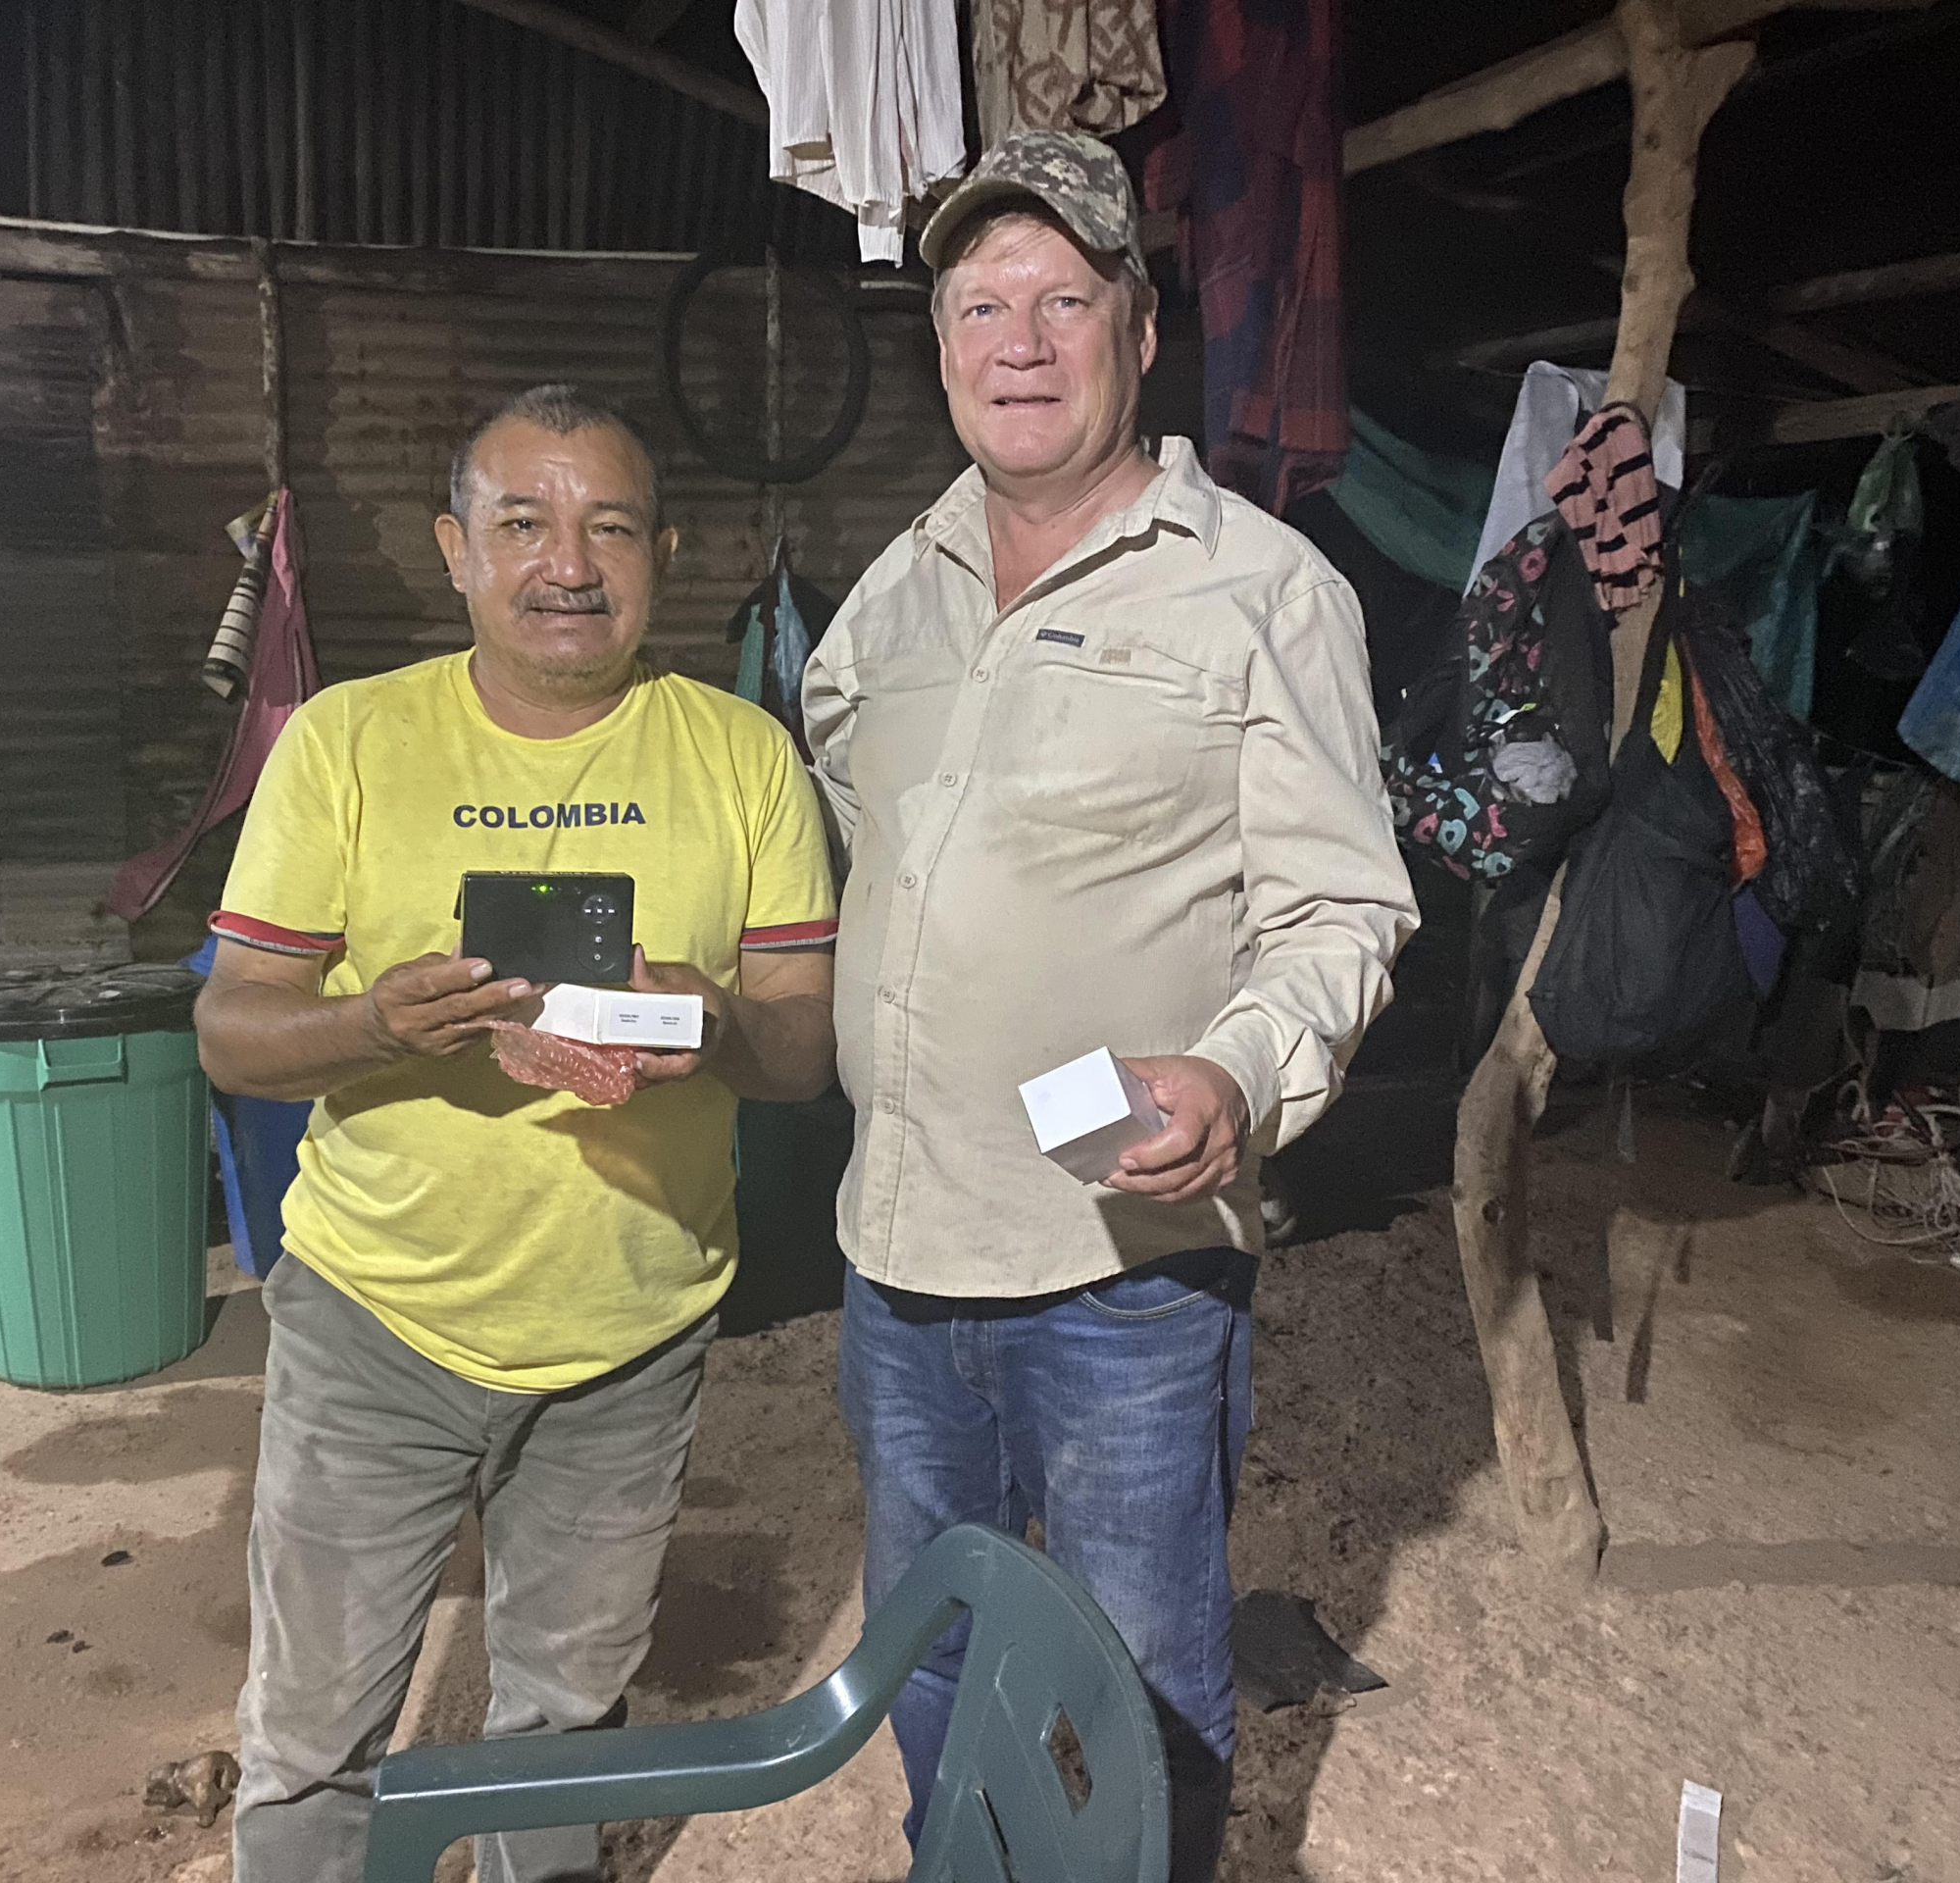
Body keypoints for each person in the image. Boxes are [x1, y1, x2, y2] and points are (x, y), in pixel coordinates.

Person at [801, 132, 1418, 1881]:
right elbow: (867, 835)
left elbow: (1343, 908)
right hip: (898, 1259)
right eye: (978, 304)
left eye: (1063, 299)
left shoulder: (1262, 590)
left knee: (1141, 1697)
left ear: (1140, 331)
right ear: (939, 345)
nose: (1019, 341)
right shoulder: (892, 591)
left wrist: (1242, 1070)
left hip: (1122, 1279)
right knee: (929, 1657)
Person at [197, 383, 838, 1883]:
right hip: (377, 1320)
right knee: (313, 1734)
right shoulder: (350, 743)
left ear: (663, 556)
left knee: (564, 1725)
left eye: (609, 528)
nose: (567, 564)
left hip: (632, 1337)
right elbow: (231, 1031)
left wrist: (714, 1023)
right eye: (524, 523)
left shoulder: (746, 757)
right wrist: (374, 1024)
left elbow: (804, 1055)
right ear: (456, 550)